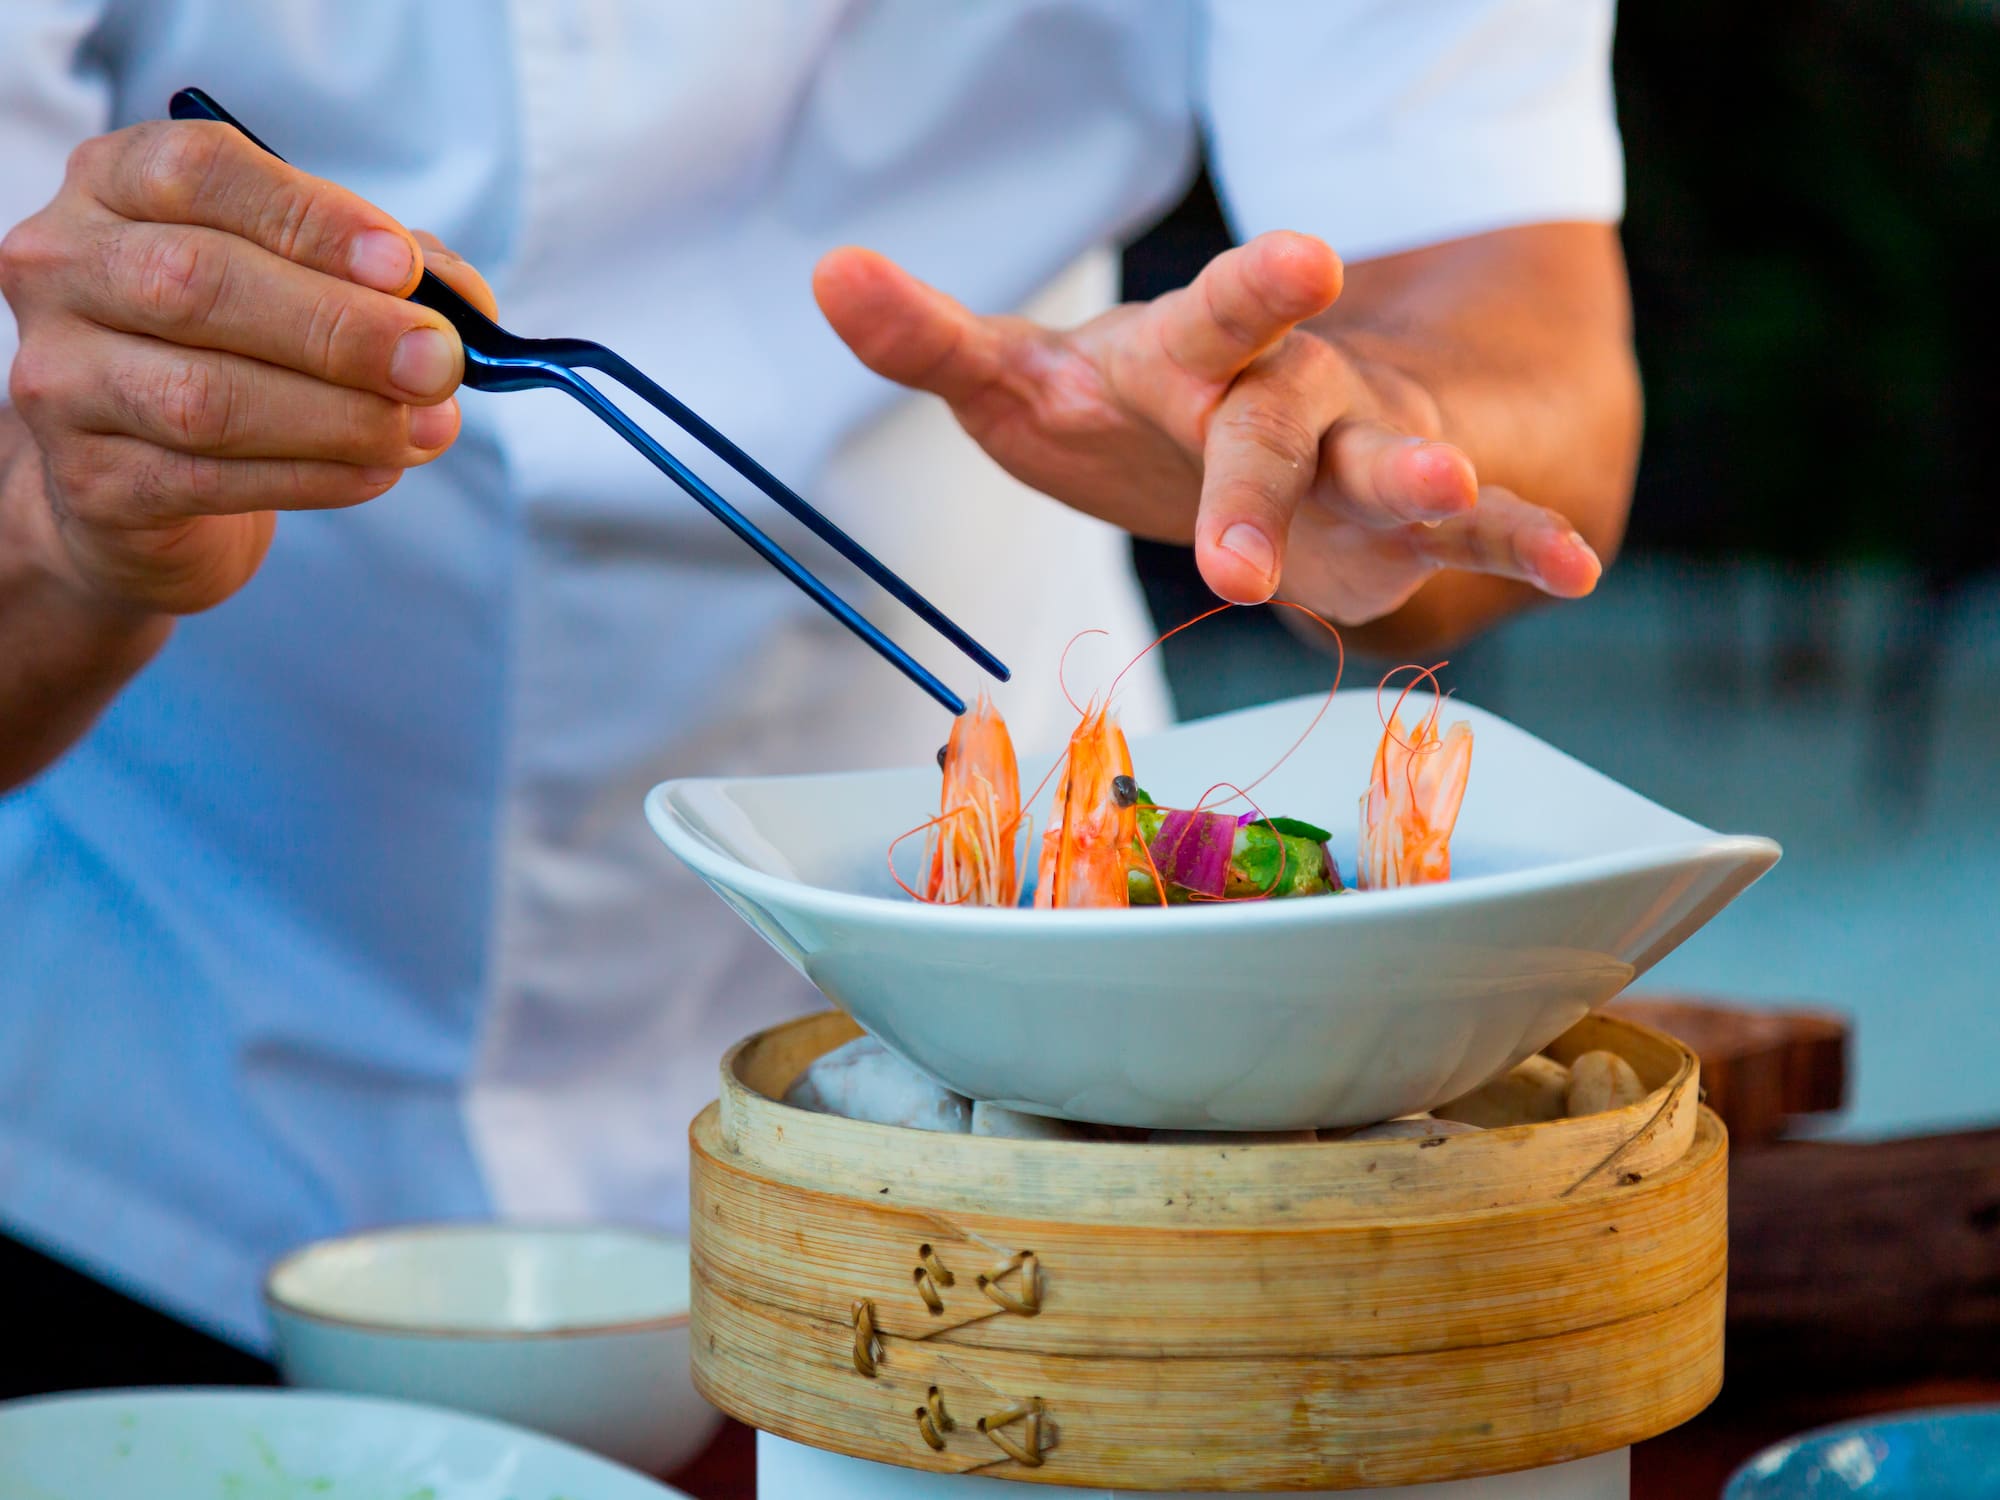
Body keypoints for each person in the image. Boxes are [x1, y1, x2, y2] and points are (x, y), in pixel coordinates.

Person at [0, 2, 1639, 1390]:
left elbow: (1534, 339)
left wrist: (1381, 438)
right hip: (157, 1082)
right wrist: (74, 537)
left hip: (1006, 1112)